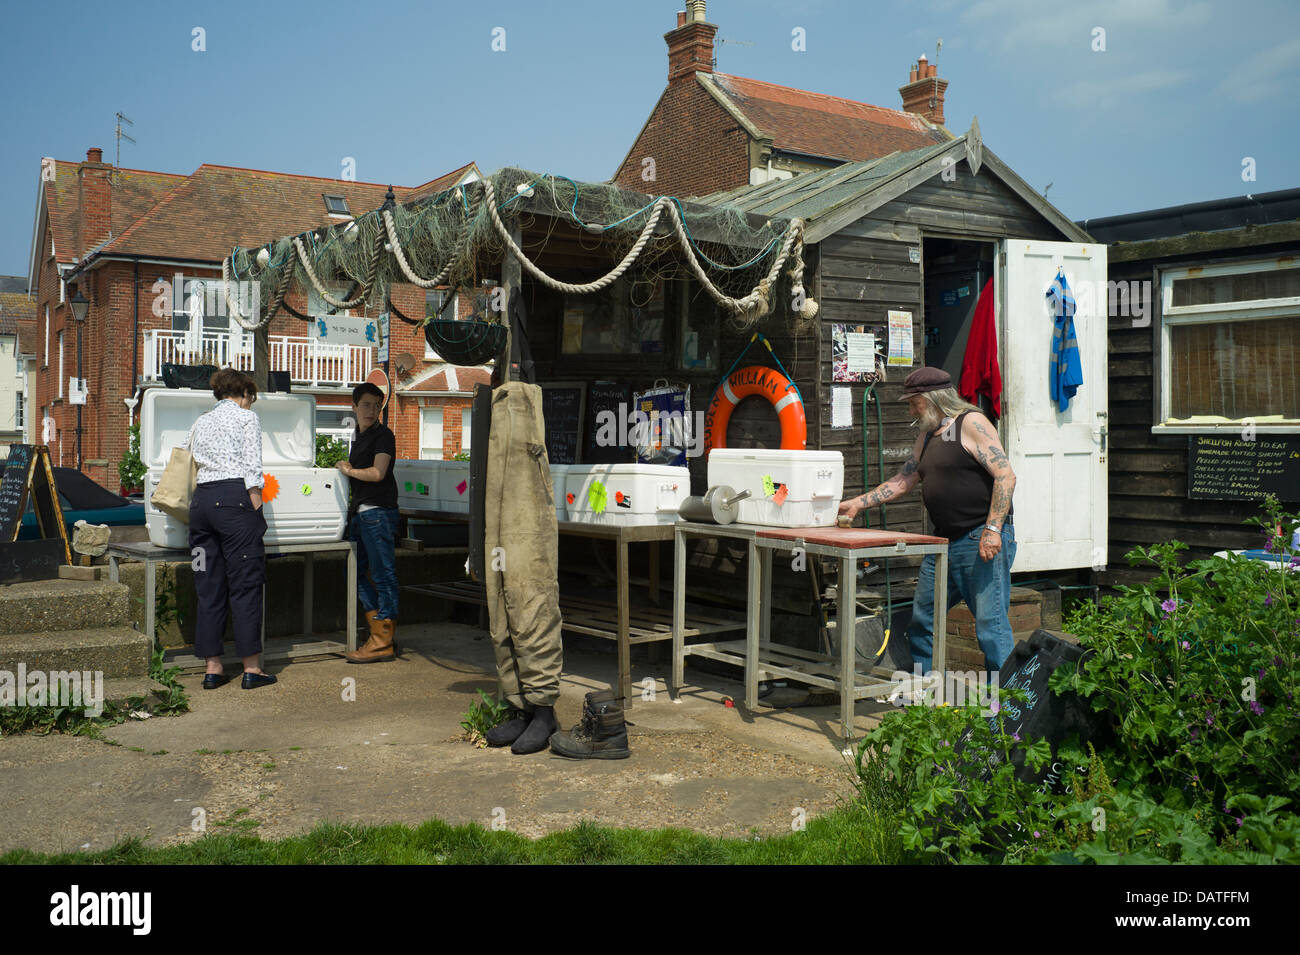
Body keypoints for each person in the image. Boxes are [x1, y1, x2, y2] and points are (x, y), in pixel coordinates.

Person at [838, 367, 1018, 675]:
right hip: (943, 543)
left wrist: (992, 530)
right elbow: (904, 479)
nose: (910, 409)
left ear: (932, 398)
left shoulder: (971, 423)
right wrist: (857, 503)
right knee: (924, 618)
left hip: (979, 538)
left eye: (913, 402)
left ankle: (1007, 709)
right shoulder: (928, 434)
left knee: (991, 625)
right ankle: (926, 693)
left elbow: (1005, 475)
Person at [188, 368, 275, 690]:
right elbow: (253, 466)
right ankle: (252, 669)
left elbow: (187, 458)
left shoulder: (201, 422)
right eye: (250, 398)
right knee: (245, 584)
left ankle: (213, 669)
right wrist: (255, 509)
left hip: (200, 508)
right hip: (234, 503)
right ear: (245, 393)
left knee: (207, 586)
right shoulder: (245, 418)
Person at [338, 382, 400, 663]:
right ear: (354, 406)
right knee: (354, 572)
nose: (372, 410)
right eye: (366, 405)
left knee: (384, 574)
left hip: (379, 513)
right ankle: (377, 628)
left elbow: (377, 473)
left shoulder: (384, 435)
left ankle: (382, 640)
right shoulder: (358, 436)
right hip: (362, 513)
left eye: (377, 406)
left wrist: (349, 470)